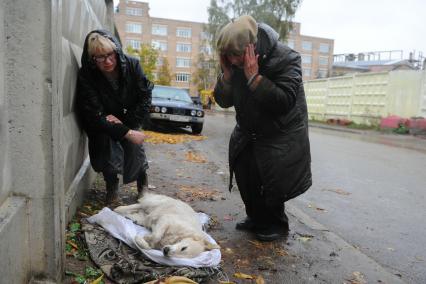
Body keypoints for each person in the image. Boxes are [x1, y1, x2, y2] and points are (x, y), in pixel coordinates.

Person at [214, 16, 312, 241]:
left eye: (236, 55)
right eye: (227, 55)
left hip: (280, 132)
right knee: (246, 177)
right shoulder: (233, 62)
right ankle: (255, 217)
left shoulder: (287, 58)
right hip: (248, 130)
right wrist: (226, 78)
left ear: (252, 46)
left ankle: (277, 224)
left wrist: (255, 78)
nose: (233, 60)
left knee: (271, 180)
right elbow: (224, 101)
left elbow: (284, 101)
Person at [76, 30, 153, 204]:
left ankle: (143, 183)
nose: (108, 61)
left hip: (129, 115)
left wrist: (128, 126)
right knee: (106, 144)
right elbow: (94, 113)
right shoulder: (87, 75)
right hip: (104, 119)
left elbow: (145, 96)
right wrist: (120, 130)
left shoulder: (132, 65)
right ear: (92, 59)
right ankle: (111, 187)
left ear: (116, 50)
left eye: (110, 54)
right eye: (100, 57)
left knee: (135, 146)